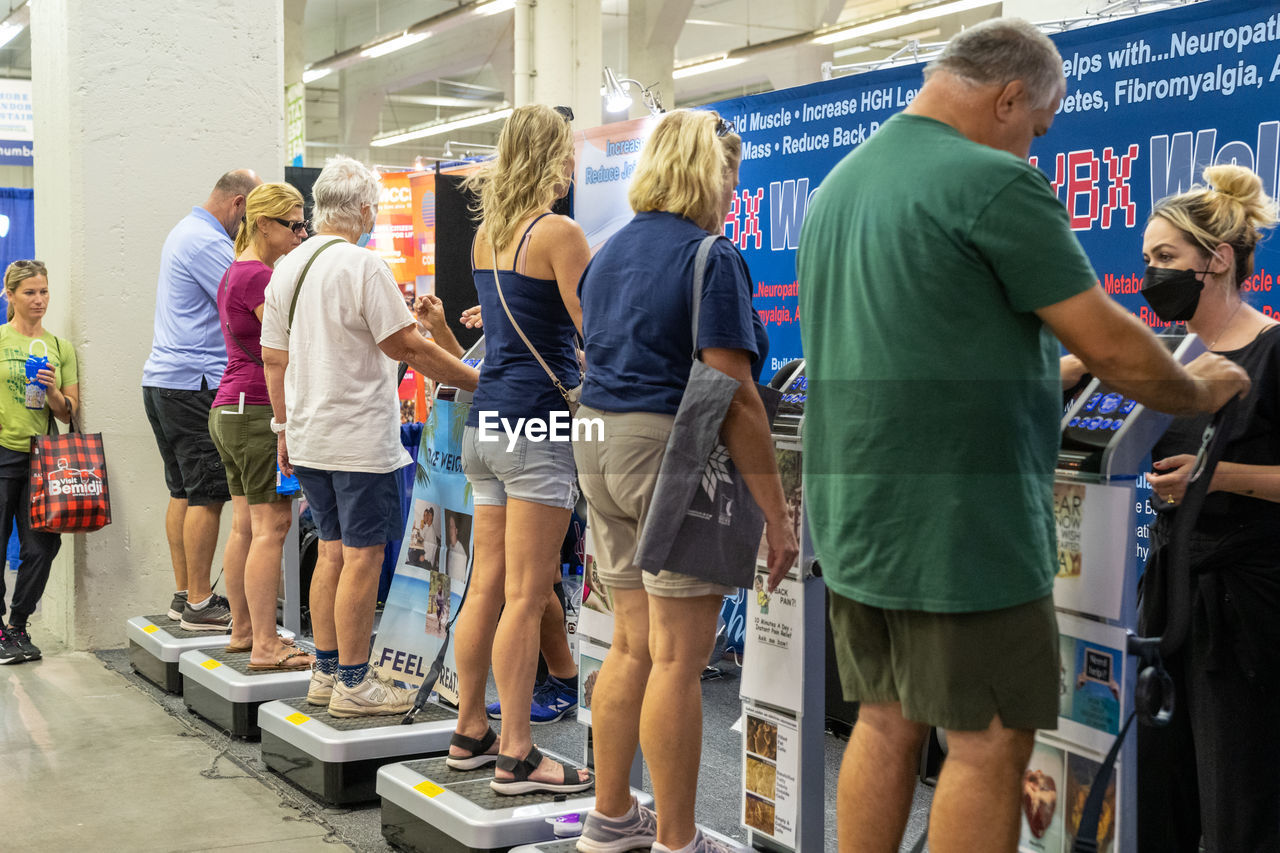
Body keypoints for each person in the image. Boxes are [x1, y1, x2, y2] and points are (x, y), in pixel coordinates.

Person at [795, 18, 1250, 853]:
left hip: (856, 512)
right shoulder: (993, 184)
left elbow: (922, 335)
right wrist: (1201, 383)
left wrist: (1037, 371)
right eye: (1036, 129)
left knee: (886, 721)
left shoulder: (841, 185)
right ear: (1009, 97)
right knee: (989, 740)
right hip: (963, 523)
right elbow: (1112, 342)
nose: (1033, 151)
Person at [572, 109, 798, 853]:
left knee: (630, 648)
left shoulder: (609, 253)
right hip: (666, 450)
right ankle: (677, 840)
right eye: (731, 175)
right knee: (677, 657)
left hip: (598, 441)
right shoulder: (712, 257)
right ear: (709, 172)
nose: (734, 191)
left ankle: (610, 817)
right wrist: (778, 513)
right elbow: (735, 395)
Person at [260, 155, 477, 717]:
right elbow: (405, 347)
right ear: (361, 210)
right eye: (374, 207)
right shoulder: (364, 267)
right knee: (360, 557)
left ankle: (328, 674)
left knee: (331, 552)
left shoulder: (288, 266)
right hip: (357, 436)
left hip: (309, 435)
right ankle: (356, 683)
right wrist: (480, 379)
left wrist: (283, 426)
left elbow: (273, 358)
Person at [444, 103, 591, 793]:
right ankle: (518, 753)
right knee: (529, 596)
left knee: (488, 584)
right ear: (551, 157)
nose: (573, 164)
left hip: (485, 423)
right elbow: (596, 328)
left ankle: (470, 729)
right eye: (567, 152)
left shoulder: (487, 237)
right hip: (538, 424)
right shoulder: (559, 233)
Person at [1136, 165, 1280, 853]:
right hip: (1169, 595)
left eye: (1167, 258)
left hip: (1246, 610)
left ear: (1217, 259)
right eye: (1146, 260)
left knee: (1237, 796)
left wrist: (1213, 476)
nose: (1152, 274)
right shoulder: (1168, 359)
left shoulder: (1274, 350)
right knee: (1156, 793)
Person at [143, 168, 262, 631]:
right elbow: (249, 296)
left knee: (184, 490)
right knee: (208, 495)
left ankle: (184, 594)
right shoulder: (208, 243)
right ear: (237, 205)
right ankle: (199, 603)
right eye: (253, 219)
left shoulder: (184, 230)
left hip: (165, 382)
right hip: (192, 384)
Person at [207, 182, 313, 671]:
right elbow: (282, 345)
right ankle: (267, 644)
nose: (300, 234)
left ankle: (244, 630)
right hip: (254, 412)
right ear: (264, 224)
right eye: (293, 225)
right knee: (273, 526)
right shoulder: (257, 278)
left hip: (230, 407)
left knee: (247, 526)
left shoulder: (237, 271)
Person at [0, 261, 78, 664]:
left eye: (44, 291)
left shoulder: (59, 348)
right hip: (1, 452)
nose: (39, 300)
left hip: (41, 459)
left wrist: (50, 390)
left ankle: (18, 625)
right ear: (9, 294)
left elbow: (68, 412)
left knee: (42, 546)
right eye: (30, 292)